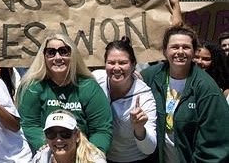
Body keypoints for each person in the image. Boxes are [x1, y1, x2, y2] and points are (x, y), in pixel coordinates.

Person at [141, 24, 229, 162]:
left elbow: (214, 146)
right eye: (175, 47)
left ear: (194, 52)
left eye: (186, 47)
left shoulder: (207, 88)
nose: (180, 52)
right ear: (164, 51)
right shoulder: (149, 77)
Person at [16, 33, 113, 153]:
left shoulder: (88, 86)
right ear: (44, 57)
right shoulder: (32, 87)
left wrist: (92, 155)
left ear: (72, 55)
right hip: (48, 151)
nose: (57, 57)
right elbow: (29, 125)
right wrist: (50, 149)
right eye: (51, 52)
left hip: (83, 152)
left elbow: (101, 129)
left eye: (63, 51)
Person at [92, 37, 157, 163]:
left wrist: (139, 129)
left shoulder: (144, 96)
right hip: (101, 157)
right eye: (111, 63)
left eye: (122, 63)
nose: (116, 68)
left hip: (133, 160)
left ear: (133, 65)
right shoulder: (96, 79)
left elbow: (150, 148)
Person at [30, 110, 106, 163]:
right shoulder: (41, 158)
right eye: (51, 134)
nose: (58, 139)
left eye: (65, 134)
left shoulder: (94, 160)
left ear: (77, 136)